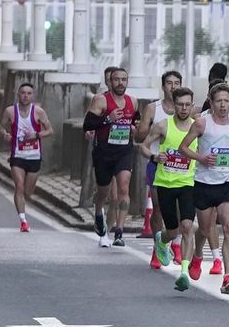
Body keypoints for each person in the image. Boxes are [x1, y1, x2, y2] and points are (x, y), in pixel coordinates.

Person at [177, 83, 229, 295]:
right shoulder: (201, 123)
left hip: (228, 182)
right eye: (218, 101)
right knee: (204, 229)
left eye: (226, 101)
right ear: (211, 103)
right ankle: (198, 255)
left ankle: (228, 277)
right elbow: (182, 148)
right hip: (204, 183)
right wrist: (201, 158)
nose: (222, 105)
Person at [143, 86, 199, 290]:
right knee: (172, 231)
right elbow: (143, 146)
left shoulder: (197, 127)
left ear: (192, 106)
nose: (184, 108)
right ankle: (162, 240)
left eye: (187, 105)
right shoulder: (163, 126)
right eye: (180, 104)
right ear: (173, 105)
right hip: (165, 183)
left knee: (187, 227)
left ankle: (183, 272)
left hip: (188, 183)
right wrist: (154, 156)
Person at [84, 67, 138, 247]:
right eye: (116, 80)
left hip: (124, 151)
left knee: (124, 187)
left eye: (124, 80)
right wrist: (108, 119)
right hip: (104, 152)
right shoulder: (101, 100)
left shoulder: (133, 101)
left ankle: (119, 231)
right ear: (110, 82)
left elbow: (136, 120)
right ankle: (98, 211)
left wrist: (135, 128)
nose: (120, 83)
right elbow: (87, 124)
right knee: (103, 191)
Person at [135, 70, 183, 263]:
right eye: (169, 83)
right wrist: (143, 128)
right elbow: (140, 138)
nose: (173, 87)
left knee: (179, 208)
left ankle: (176, 243)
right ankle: (158, 248)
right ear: (163, 86)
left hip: (181, 166)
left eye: (176, 83)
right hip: (158, 163)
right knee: (158, 208)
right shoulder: (153, 109)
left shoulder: (187, 109)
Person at [1, 82, 52, 232]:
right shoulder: (10, 111)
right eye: (23, 93)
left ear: (32, 96)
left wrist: (36, 135)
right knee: (19, 186)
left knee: (28, 192)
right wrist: (5, 134)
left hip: (34, 156)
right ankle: (23, 221)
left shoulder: (39, 112)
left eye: (29, 93)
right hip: (17, 155)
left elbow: (50, 131)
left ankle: (24, 204)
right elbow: (1, 126)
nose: (25, 96)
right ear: (18, 94)